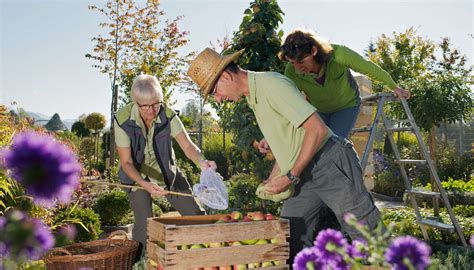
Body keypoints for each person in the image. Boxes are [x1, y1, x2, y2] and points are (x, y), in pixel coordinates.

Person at [187, 48, 382, 265]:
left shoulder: (271, 86)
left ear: (225, 76)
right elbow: (289, 144)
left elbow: (317, 130)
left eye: (214, 92)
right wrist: (273, 177)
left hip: (329, 162)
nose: (219, 99)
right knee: (288, 239)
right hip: (305, 170)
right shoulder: (254, 98)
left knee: (368, 238)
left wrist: (289, 177)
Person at [114, 74, 216, 255]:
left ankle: (207, 256)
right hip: (138, 178)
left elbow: (187, 145)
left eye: (156, 104)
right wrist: (145, 184)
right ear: (136, 103)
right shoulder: (122, 120)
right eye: (145, 106)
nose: (152, 111)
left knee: (196, 215)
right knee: (144, 224)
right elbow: (127, 162)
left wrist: (202, 161)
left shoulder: (167, 114)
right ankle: (141, 264)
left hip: (168, 174)